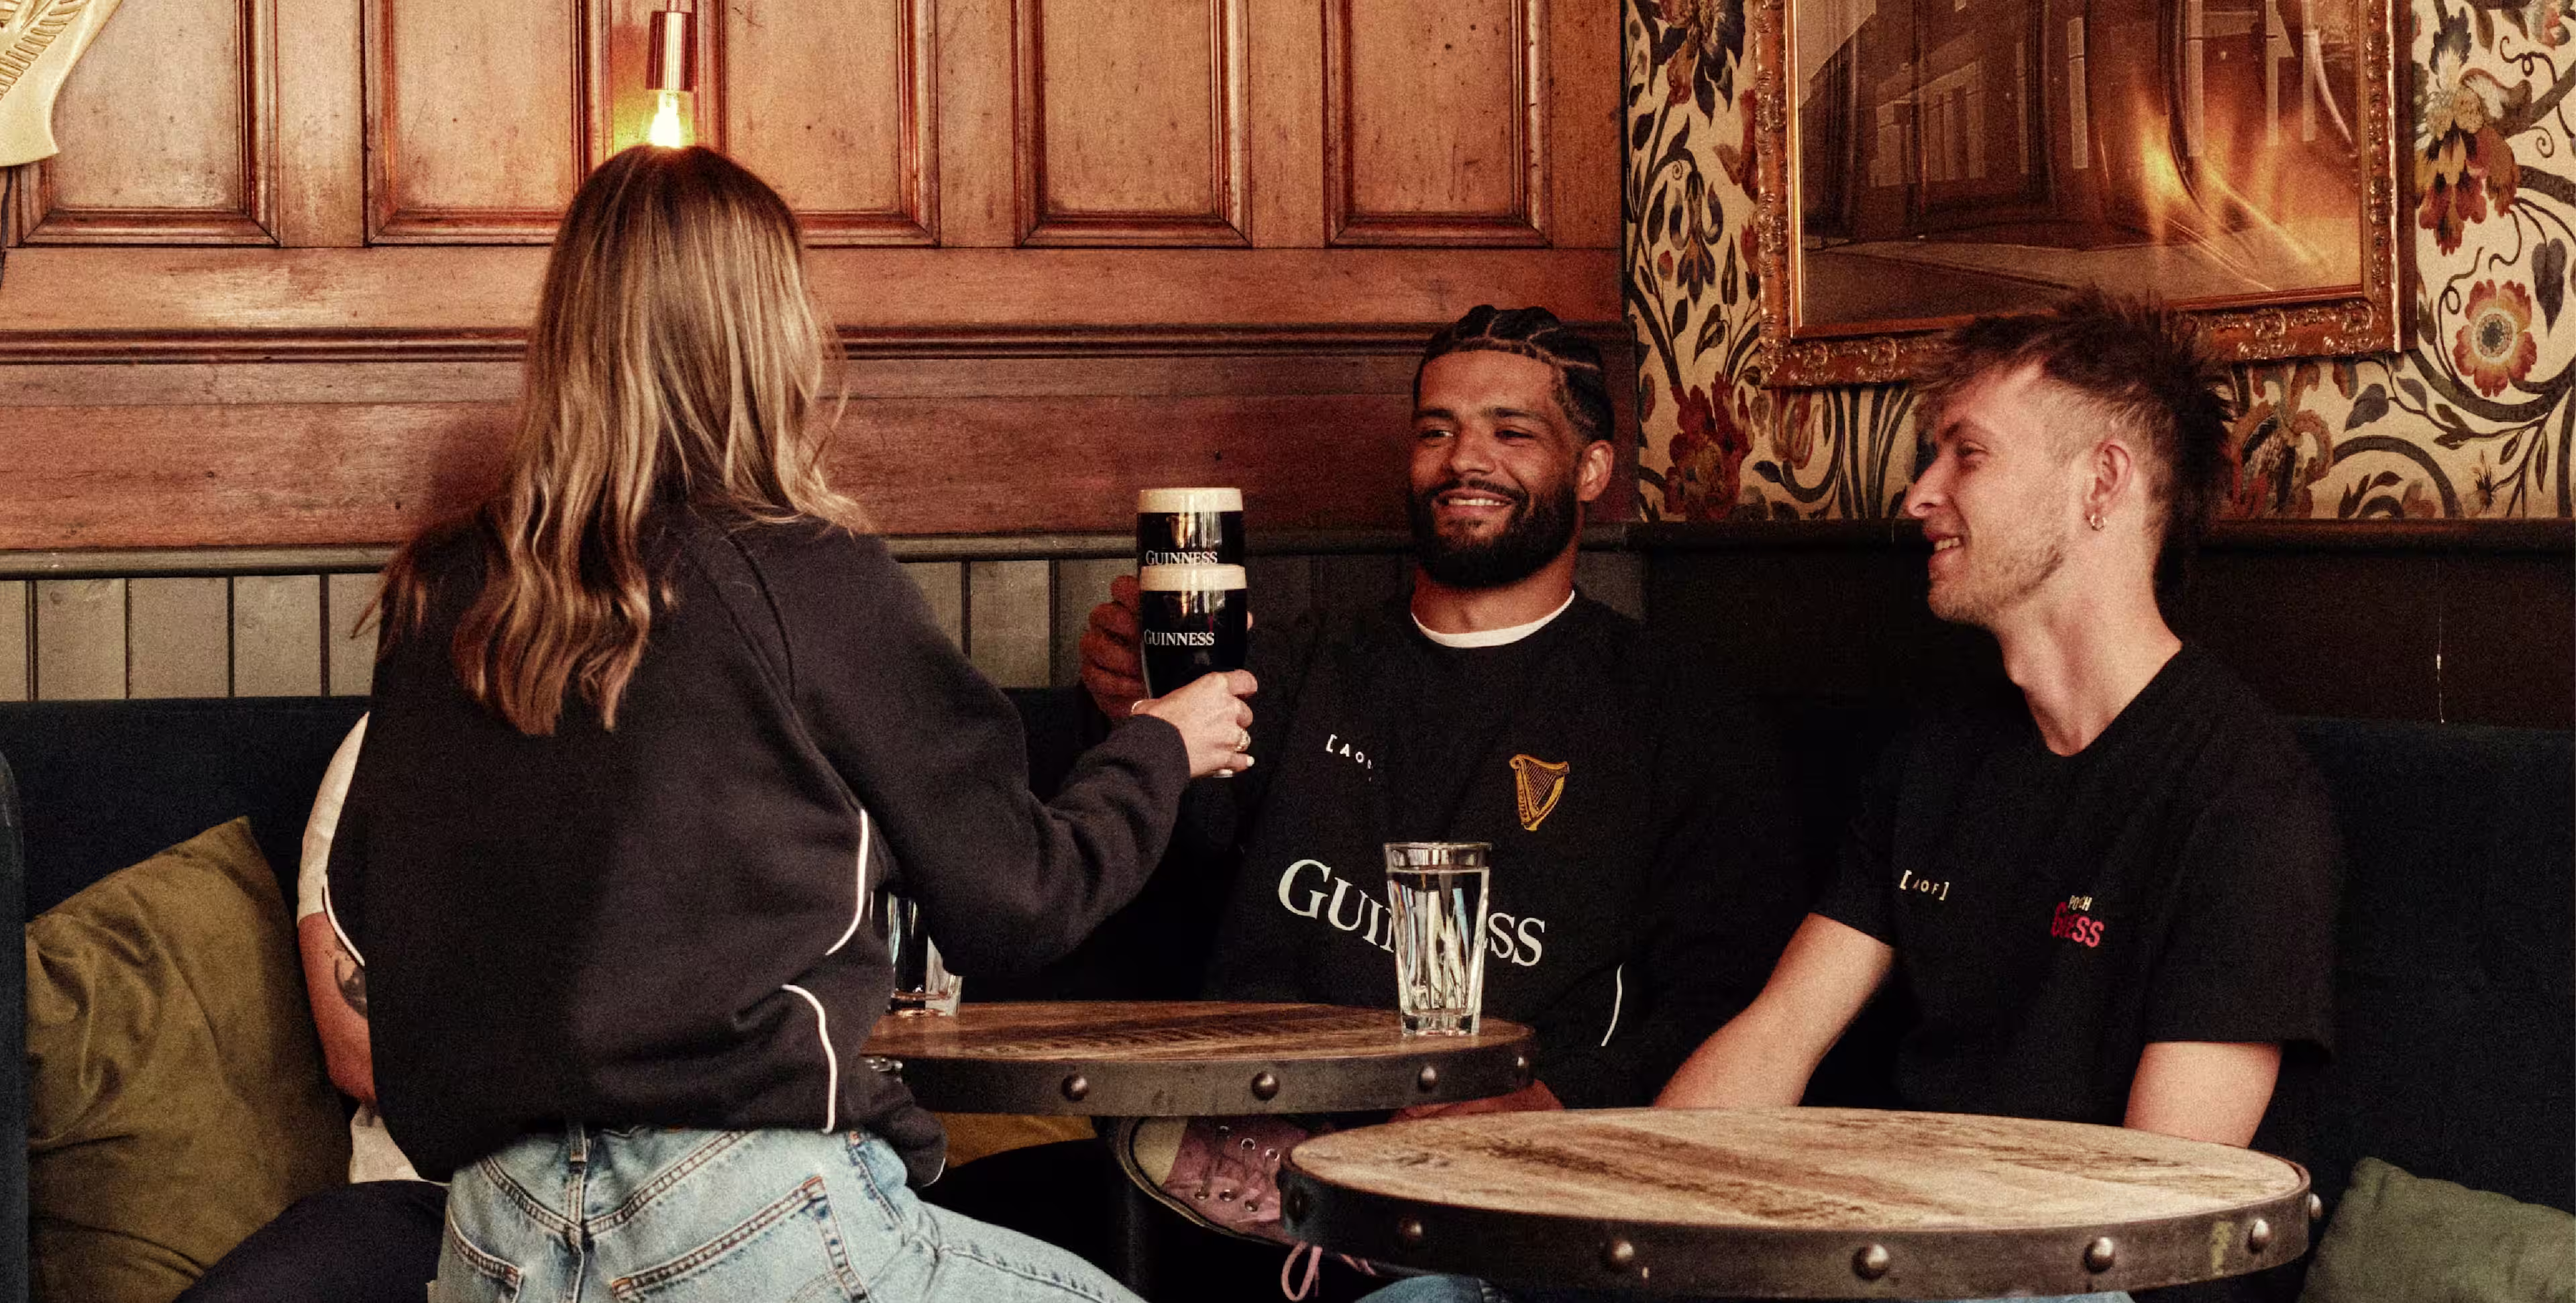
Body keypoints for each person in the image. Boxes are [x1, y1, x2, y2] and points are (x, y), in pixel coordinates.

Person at [324, 144, 1256, 1303]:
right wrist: (1162, 746)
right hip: (742, 1218)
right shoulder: (800, 571)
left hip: (489, 1236)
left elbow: (366, 908)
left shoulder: (440, 586)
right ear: (767, 328)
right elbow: (1020, 897)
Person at [1371, 292, 2341, 1303]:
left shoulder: (2245, 798)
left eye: (1967, 454)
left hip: (2078, 1279)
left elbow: (2150, 1213)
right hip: (1891, 1249)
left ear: (2102, 482)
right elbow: (1777, 1036)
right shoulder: (1942, 752)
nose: (1921, 495)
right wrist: (1624, 1237)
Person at [945, 306, 1801, 1300]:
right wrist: (1139, 724)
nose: (1461, 459)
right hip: (1229, 1153)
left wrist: (1557, 1103)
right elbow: (1156, 889)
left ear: (1596, 470)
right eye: (1435, 430)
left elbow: (1725, 992)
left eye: (1510, 431)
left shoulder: (1682, 714)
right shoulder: (1297, 666)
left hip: (1495, 1178)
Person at [177, 715, 448, 1303]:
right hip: (433, 1195)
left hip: (658, 1190)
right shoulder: (393, 739)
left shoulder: (677, 734)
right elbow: (356, 1051)